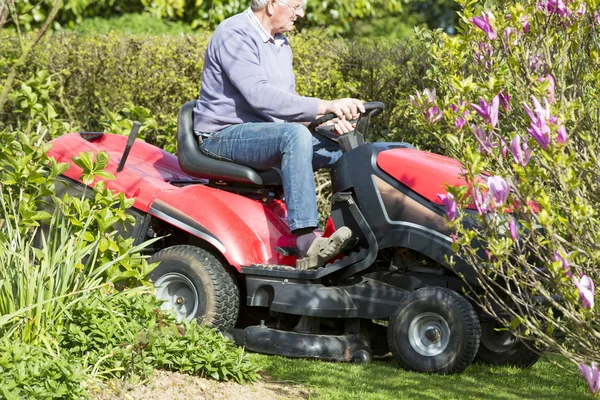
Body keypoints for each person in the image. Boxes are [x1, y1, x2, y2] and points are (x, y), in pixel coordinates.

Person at [193, 0, 364, 269]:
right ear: (272, 4)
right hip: (222, 135)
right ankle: (307, 240)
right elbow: (259, 95)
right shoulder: (234, 33)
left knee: (343, 147)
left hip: (266, 134)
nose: (302, 13)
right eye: (297, 5)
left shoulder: (281, 44)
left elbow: (286, 105)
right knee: (294, 136)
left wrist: (327, 123)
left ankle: (358, 229)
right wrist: (326, 104)